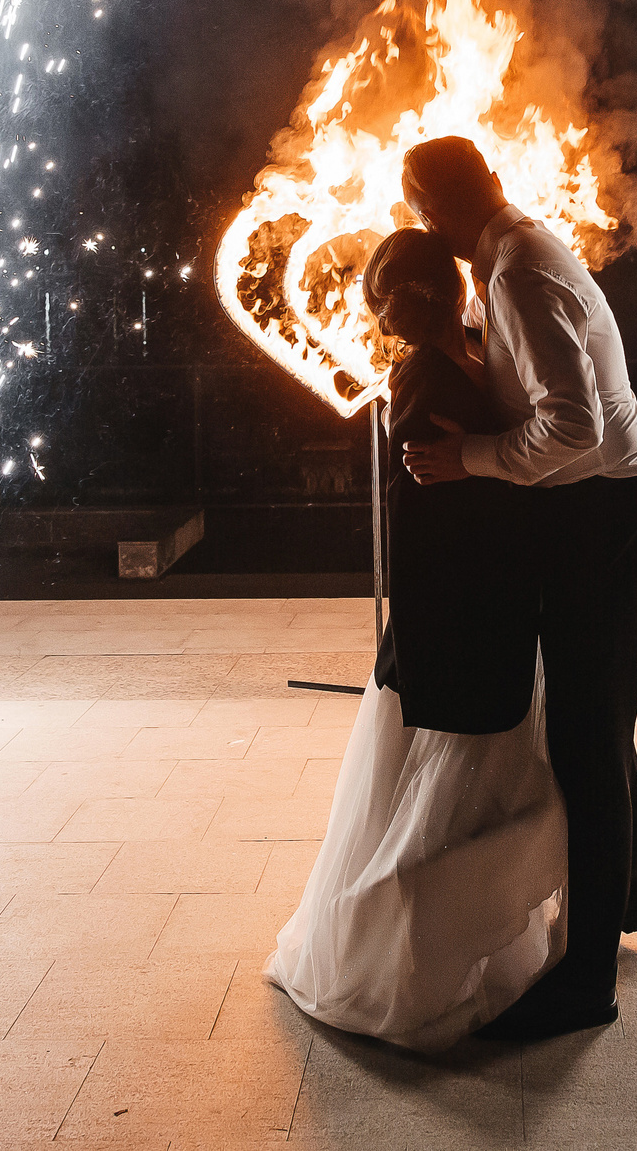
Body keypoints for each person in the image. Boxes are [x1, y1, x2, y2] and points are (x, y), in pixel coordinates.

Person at [263, 228, 567, 1051]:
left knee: (475, 799)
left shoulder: (470, 351)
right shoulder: (426, 374)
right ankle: (411, 964)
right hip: (459, 621)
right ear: (447, 286)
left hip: (489, 608)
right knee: (446, 807)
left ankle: (456, 947)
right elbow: (426, 521)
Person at [398, 135, 637, 1041]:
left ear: (431, 207)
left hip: (607, 514)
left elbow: (573, 422)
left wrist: (467, 457)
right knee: (601, 723)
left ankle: (586, 980)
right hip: (609, 510)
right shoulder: (516, 254)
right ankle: (625, 892)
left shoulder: (513, 272)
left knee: (586, 743)